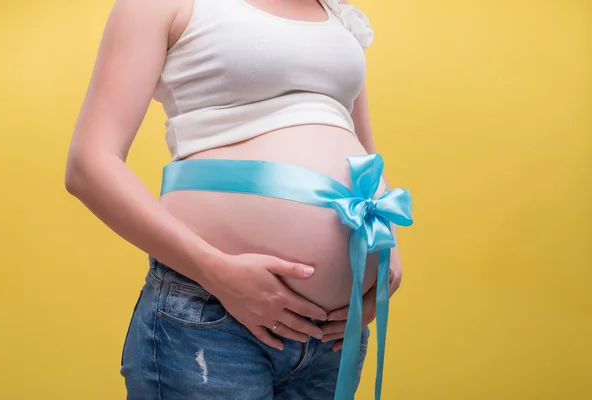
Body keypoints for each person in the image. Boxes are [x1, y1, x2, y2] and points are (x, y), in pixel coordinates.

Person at [65, 0, 413, 399]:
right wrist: (218, 272)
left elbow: (361, 150)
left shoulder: (337, 12)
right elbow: (88, 165)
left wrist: (387, 251)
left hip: (331, 335)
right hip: (212, 317)